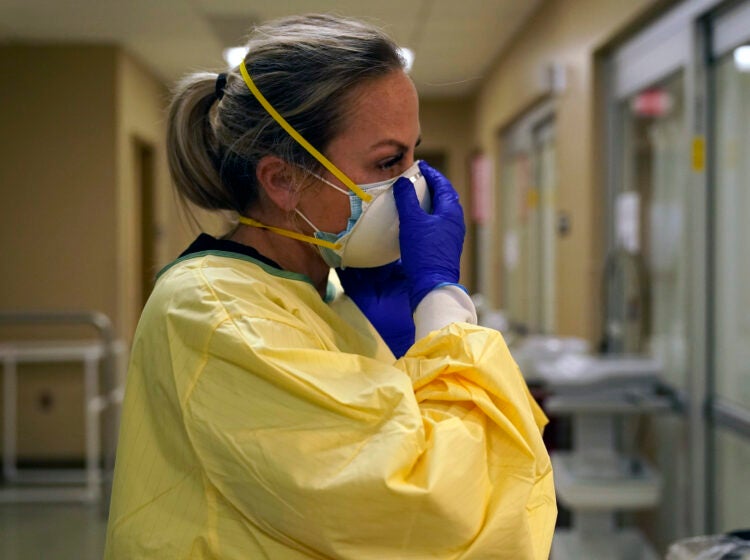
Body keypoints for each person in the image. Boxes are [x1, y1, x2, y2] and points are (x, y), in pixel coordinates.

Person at [104, 14, 556, 560]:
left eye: (416, 153)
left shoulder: (319, 293)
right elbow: (435, 508)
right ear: (282, 180)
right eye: (389, 161)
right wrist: (440, 302)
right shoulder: (215, 309)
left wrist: (401, 344)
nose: (415, 184)